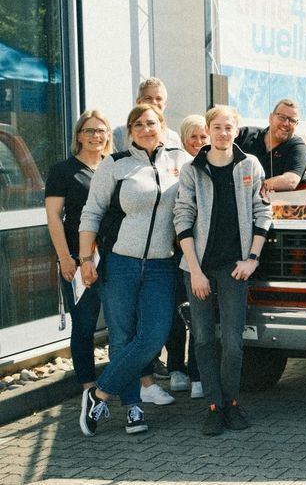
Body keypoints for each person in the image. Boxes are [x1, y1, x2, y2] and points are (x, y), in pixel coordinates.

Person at [76, 104, 192, 436]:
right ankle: (133, 408)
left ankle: (97, 393)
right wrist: (86, 260)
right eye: (136, 124)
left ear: (162, 125)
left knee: (154, 335)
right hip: (120, 263)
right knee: (123, 336)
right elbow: (92, 213)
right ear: (129, 131)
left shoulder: (179, 161)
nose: (144, 128)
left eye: (150, 123)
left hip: (161, 265)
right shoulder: (115, 165)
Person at [175, 105, 272, 435]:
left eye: (228, 127)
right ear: (208, 129)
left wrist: (252, 259)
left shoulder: (250, 166)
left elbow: (264, 213)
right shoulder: (192, 170)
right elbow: (182, 219)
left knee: (232, 342)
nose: (222, 133)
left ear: (236, 130)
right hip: (197, 266)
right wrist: (194, 269)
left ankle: (231, 403)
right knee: (202, 338)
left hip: (234, 268)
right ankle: (214, 406)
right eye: (216, 127)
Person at [44, 111, 113, 391]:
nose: (95, 136)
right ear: (78, 136)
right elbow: (53, 217)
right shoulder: (63, 171)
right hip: (77, 258)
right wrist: (64, 258)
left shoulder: (114, 167)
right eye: (88, 131)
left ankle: (123, 382)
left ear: (108, 135)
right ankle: (88, 387)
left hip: (114, 258)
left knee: (122, 325)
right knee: (84, 326)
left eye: (100, 130)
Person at [165, 114, 210, 400]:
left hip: (202, 252)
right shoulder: (175, 168)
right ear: (183, 139)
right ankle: (175, 368)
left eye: (203, 136)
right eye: (192, 136)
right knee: (173, 313)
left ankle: (197, 373)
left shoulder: (213, 164)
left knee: (198, 314)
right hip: (173, 250)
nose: (198, 142)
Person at [235, 98, 306, 192]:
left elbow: (291, 181)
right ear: (270, 117)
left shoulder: (296, 145)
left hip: (271, 204)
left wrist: (251, 188)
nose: (286, 123)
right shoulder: (244, 135)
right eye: (282, 117)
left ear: (296, 124)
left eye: (292, 120)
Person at [111, 77, 182, 152]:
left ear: (165, 104)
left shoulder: (173, 138)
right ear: (138, 102)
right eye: (148, 98)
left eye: (158, 99)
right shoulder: (120, 134)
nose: (154, 102)